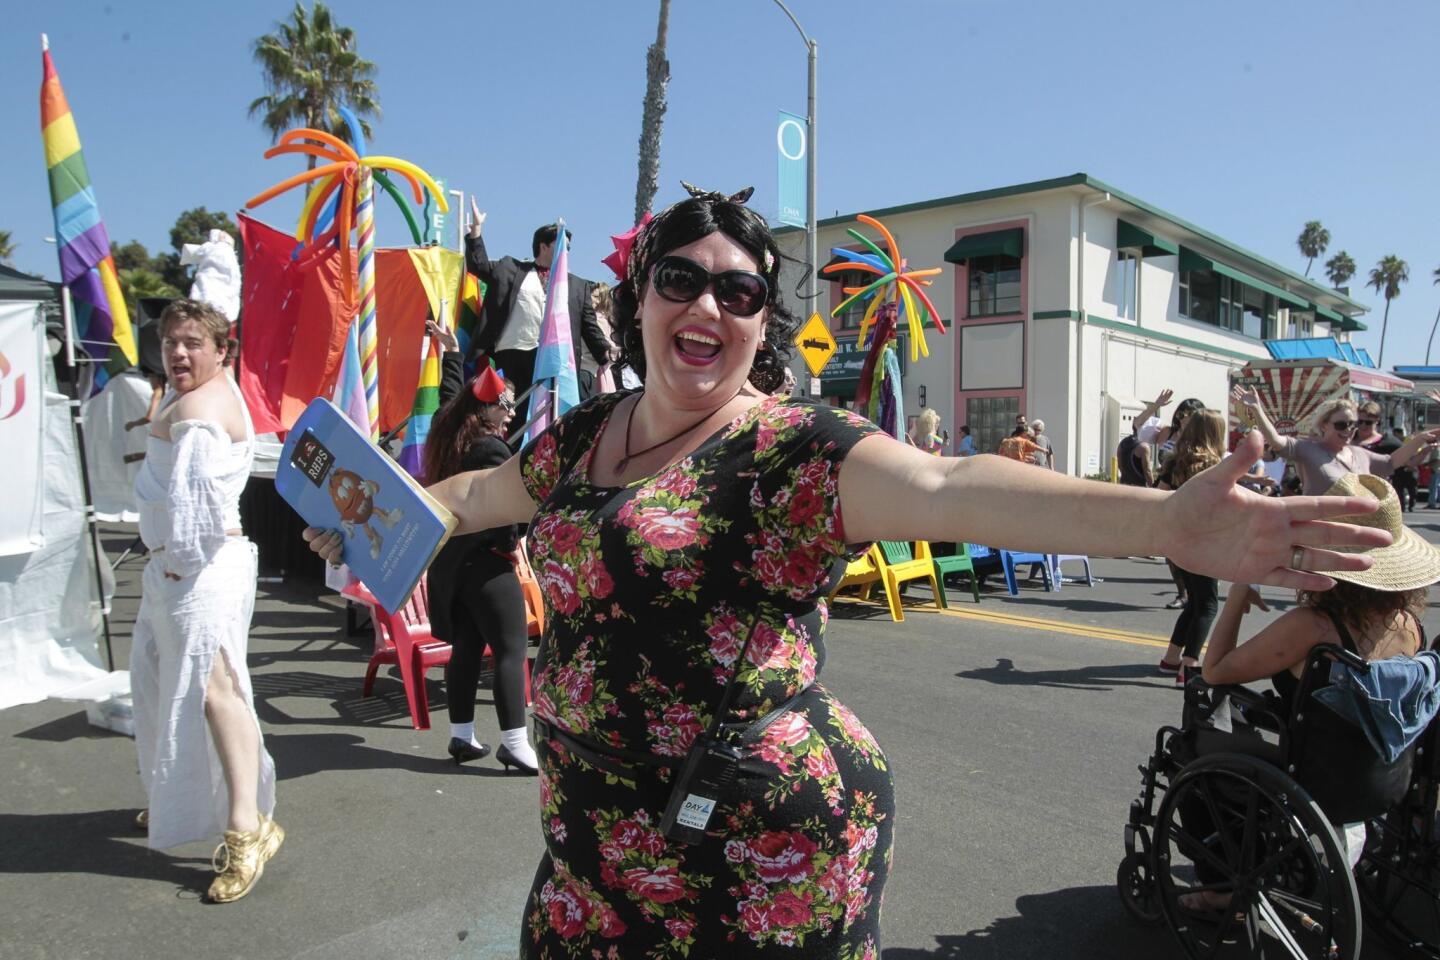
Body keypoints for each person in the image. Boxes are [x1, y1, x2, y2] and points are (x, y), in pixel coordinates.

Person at [304, 183, 1387, 957]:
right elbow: (468, 498)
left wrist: (1166, 522)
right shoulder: (582, 436)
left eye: (741, 294)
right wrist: (365, 521)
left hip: (760, 841)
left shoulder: (791, 449)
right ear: (636, 298)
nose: (710, 307)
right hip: (591, 842)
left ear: (762, 325)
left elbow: (947, 487)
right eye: (682, 279)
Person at [1181, 472, 1440, 909]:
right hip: (1380, 776)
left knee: (1194, 758)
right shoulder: (1410, 627)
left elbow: (1217, 669)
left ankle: (1219, 891)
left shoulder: (1314, 628)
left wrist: (1237, 596)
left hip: (1315, 775)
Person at [130, 299, 281, 903]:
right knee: (169, 685)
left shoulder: (197, 408)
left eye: (193, 342)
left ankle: (249, 828)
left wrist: (175, 568)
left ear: (223, 350)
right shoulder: (193, 396)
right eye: (171, 342)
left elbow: (192, 518)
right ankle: (182, 797)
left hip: (194, 570)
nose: (178, 352)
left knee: (217, 691)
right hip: (185, 570)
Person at [422, 321, 538, 774]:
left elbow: (452, 397)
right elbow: (508, 510)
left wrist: (452, 354)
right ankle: (514, 742)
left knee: (467, 651)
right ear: (485, 410)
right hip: (489, 565)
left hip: (450, 570)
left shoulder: (446, 435)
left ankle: (462, 737)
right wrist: (512, 545)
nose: (510, 415)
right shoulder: (491, 450)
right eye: (504, 407)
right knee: (511, 651)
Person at [464, 198, 610, 397]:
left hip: (556, 359)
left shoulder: (578, 286)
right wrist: (476, 232)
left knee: (551, 411)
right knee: (511, 407)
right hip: (513, 354)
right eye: (560, 245)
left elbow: (589, 326)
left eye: (568, 248)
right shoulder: (510, 269)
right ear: (543, 246)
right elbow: (477, 266)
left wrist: (606, 352)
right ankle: (508, 427)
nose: (565, 252)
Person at [1237, 387, 1437, 496]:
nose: (1349, 429)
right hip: (1319, 535)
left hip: (1357, 535)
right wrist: (1257, 410)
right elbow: (1275, 440)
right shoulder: (1307, 449)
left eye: (1353, 424)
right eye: (1341, 424)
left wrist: (1420, 438)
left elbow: (1392, 462)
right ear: (1324, 425)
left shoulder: (1360, 453)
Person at [1155, 410, 1230, 683]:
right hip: (1205, 541)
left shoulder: (1175, 461)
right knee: (1208, 605)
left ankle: (1171, 659)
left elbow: (1159, 497)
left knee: (1195, 601)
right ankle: (1189, 667)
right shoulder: (1214, 465)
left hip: (1178, 540)